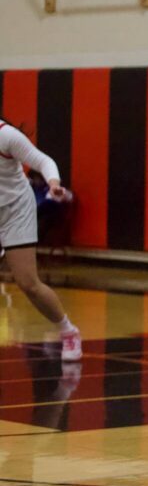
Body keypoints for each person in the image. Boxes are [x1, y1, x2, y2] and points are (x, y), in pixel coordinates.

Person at [0, 120, 81, 362]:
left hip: (16, 210)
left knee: (28, 283)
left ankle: (68, 330)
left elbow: (43, 161)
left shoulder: (7, 136)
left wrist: (53, 183)